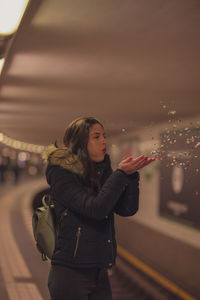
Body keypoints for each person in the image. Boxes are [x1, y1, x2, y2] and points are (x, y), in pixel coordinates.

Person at [45, 117, 155, 300]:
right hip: (70, 271)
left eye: (103, 136)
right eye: (96, 137)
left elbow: (126, 209)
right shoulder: (61, 172)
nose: (104, 141)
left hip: (98, 268)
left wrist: (131, 177)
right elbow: (95, 209)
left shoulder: (101, 170)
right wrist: (120, 175)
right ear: (79, 142)